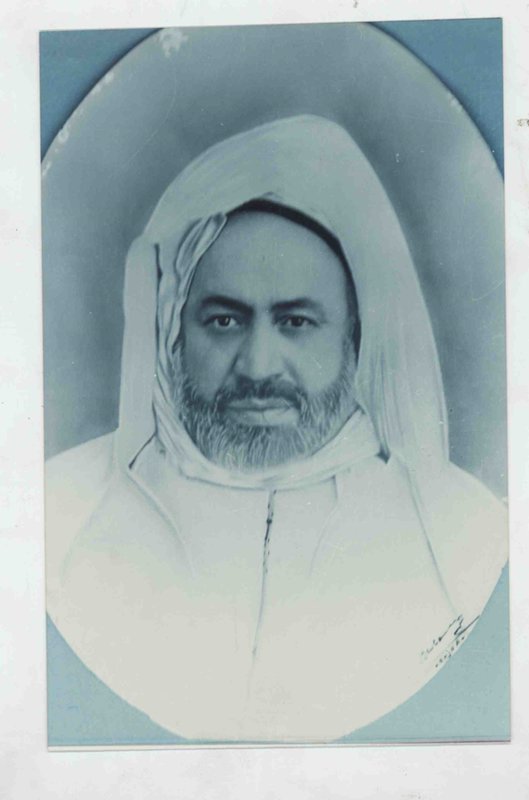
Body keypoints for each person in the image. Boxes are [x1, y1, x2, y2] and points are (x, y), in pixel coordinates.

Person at [46, 115, 508, 743]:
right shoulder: (60, 515)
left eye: (295, 322)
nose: (259, 367)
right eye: (224, 321)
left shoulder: (463, 534)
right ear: (171, 330)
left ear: (354, 338)